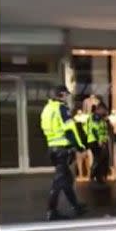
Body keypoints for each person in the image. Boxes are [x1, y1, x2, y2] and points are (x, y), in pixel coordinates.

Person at [40, 86, 88, 221]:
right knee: (59, 181)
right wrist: (79, 146)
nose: (67, 97)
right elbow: (70, 130)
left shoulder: (47, 109)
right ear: (61, 95)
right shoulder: (61, 108)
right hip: (62, 148)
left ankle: (75, 205)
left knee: (67, 179)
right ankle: (51, 211)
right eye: (66, 95)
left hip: (52, 147)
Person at [86, 103, 110, 186]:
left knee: (102, 158)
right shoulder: (95, 117)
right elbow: (94, 129)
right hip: (94, 140)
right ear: (99, 109)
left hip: (99, 140)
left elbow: (102, 130)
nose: (104, 112)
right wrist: (99, 140)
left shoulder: (100, 118)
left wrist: (105, 139)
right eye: (103, 110)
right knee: (98, 158)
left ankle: (99, 177)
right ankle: (93, 174)